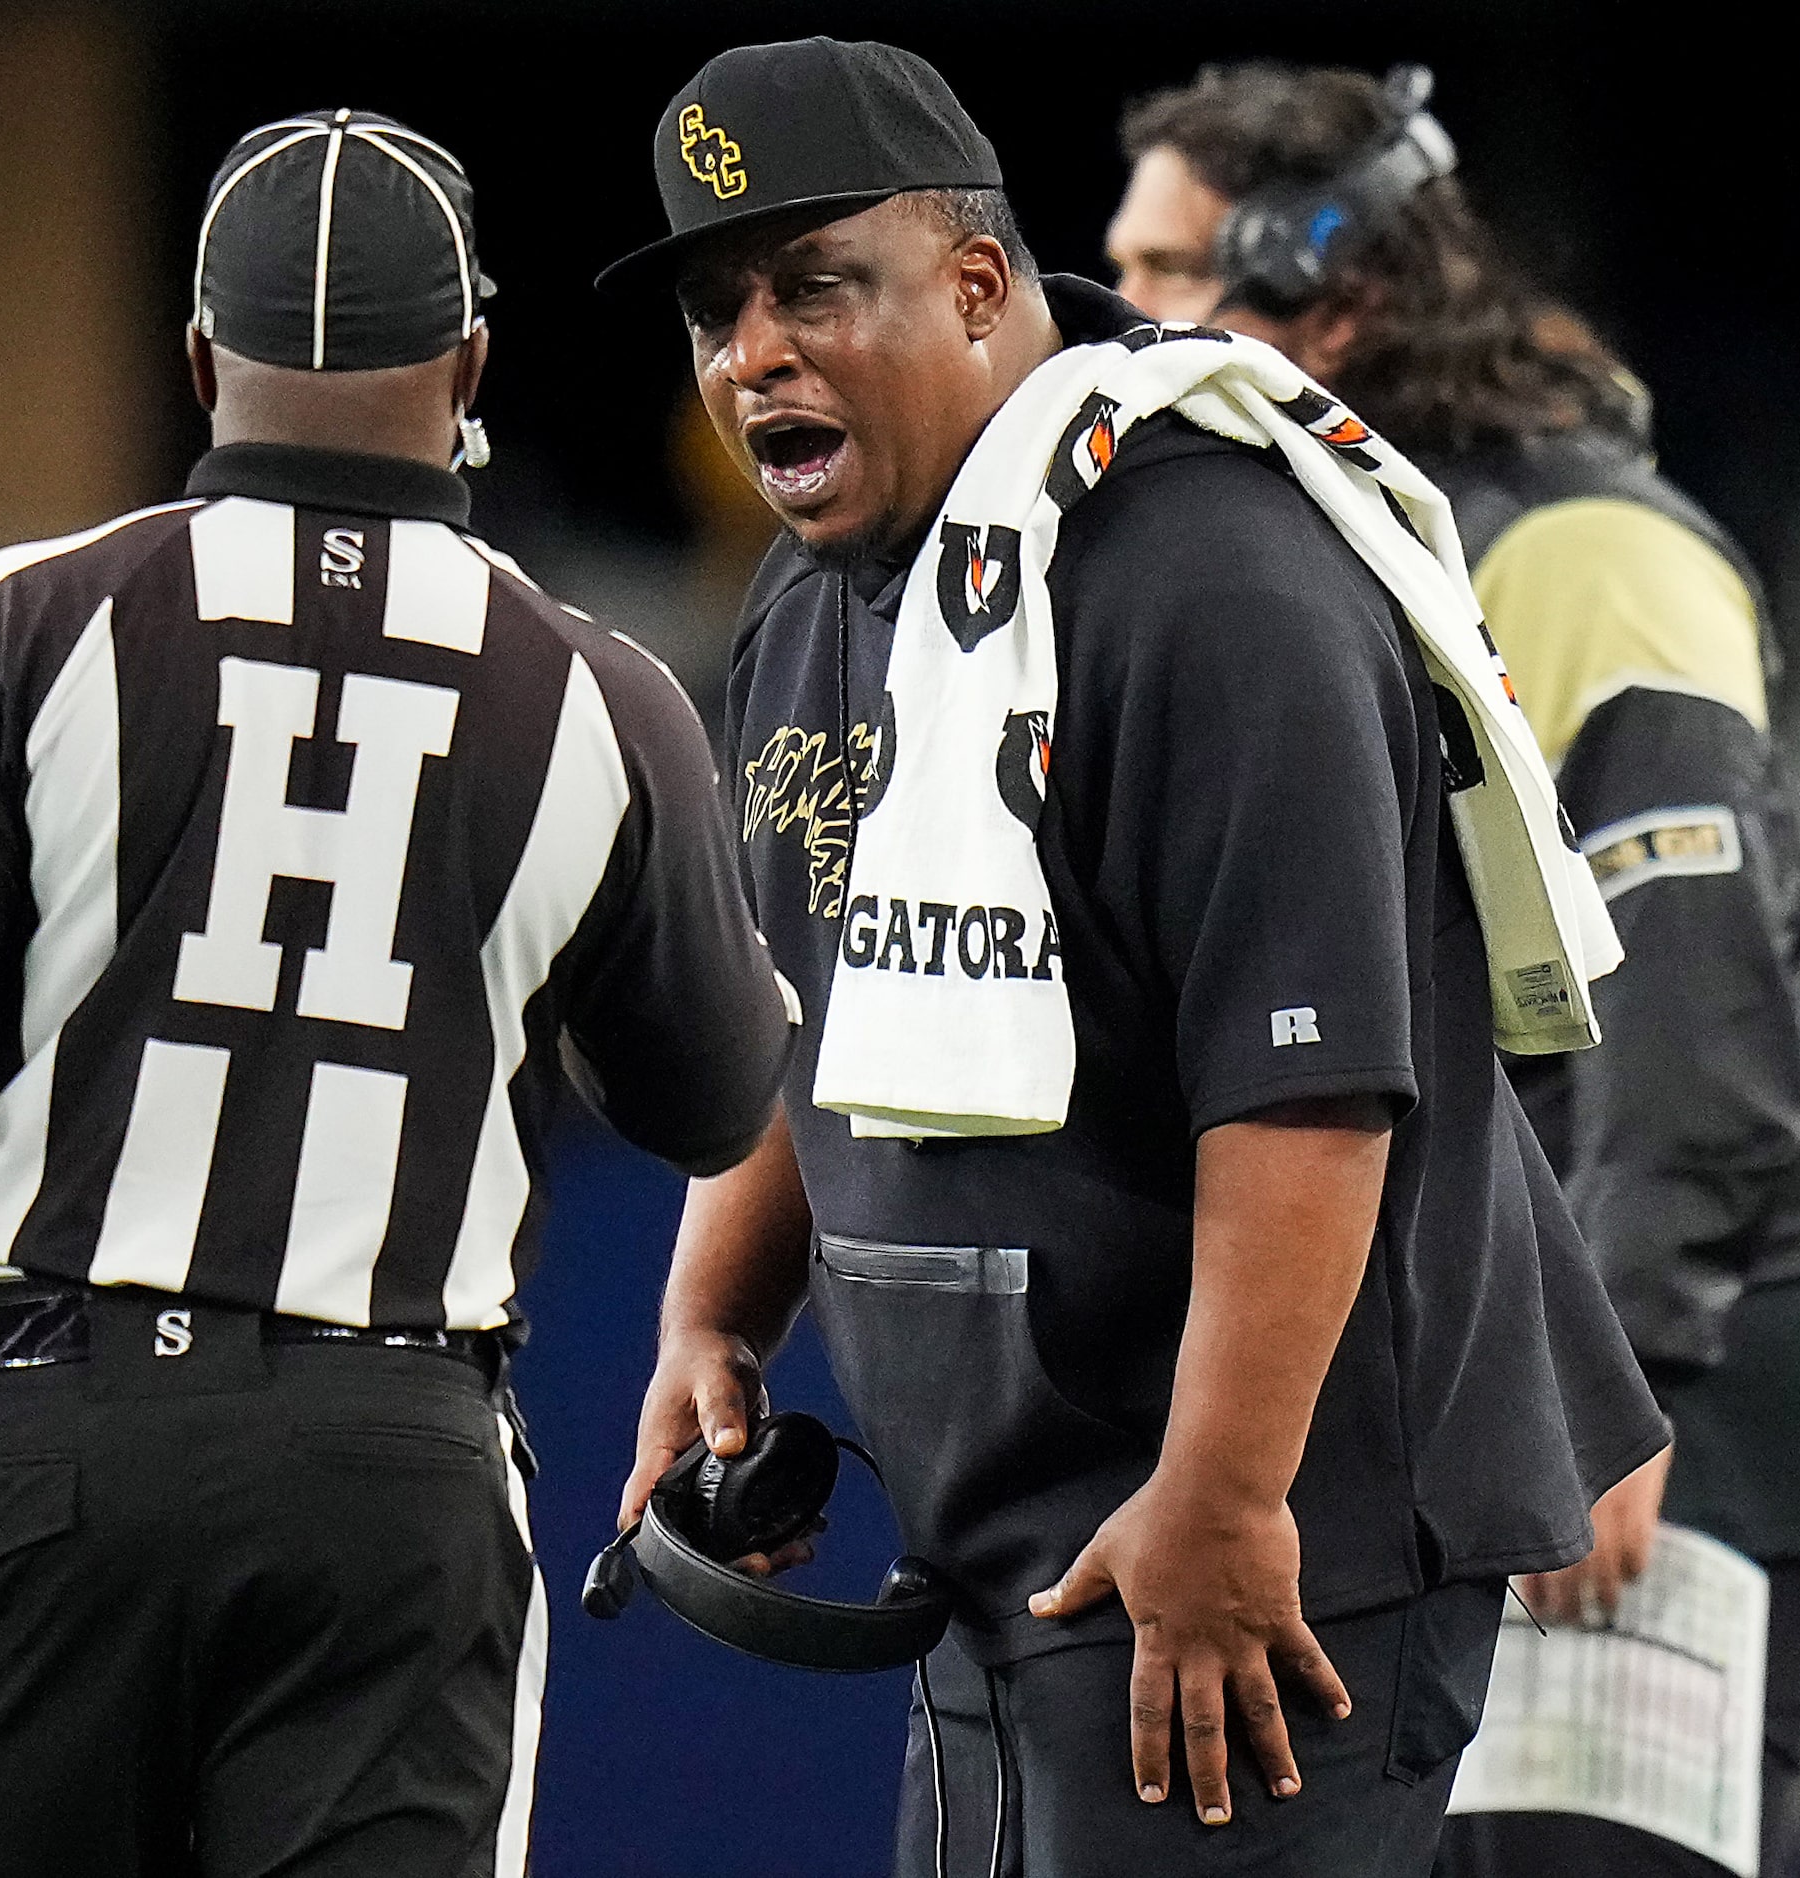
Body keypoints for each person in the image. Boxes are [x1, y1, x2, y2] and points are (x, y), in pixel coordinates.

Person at [0, 109, 788, 1878]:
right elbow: (711, 1101)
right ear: (475, 361)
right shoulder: (604, 694)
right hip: (392, 1460)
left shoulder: (29, 623)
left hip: (53, 1444)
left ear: (202, 356)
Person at [600, 38, 1667, 1878]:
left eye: (814, 287)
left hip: (1265, 1541)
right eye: (717, 308)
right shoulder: (821, 592)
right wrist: (719, 1306)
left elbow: (1317, 1077)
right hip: (1013, 1545)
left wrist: (1227, 1491)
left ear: (980, 282)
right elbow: (813, 992)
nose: (751, 350)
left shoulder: (1210, 578)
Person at [1107, 63, 1800, 1878]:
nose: (1120, 323)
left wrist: (1610, 1386)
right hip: (1537, 1362)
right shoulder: (1335, 549)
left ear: (1335, 289)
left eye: (1171, 271)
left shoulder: (1581, 550)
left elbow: (1699, 1015)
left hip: (1689, 1360)